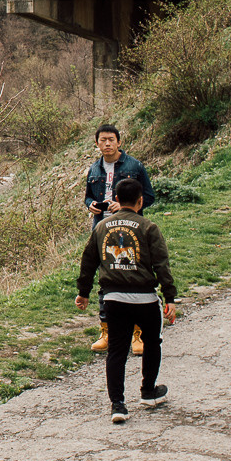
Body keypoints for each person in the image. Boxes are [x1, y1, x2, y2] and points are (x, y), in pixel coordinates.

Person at [77, 176, 178, 423]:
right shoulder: (149, 227)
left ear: (117, 200)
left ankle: (118, 405)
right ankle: (148, 392)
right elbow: (161, 264)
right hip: (145, 299)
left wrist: (83, 291)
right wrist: (170, 296)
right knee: (152, 343)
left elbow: (88, 261)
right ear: (141, 201)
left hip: (113, 299)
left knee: (117, 351)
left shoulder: (101, 227)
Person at [83, 125, 156, 353]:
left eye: (111, 140)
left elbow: (150, 196)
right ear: (96, 144)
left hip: (130, 229)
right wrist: (91, 205)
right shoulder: (94, 169)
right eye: (103, 140)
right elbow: (87, 197)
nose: (107, 144)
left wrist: (124, 206)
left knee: (133, 277)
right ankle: (106, 331)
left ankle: (138, 334)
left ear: (119, 142)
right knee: (106, 278)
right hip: (102, 230)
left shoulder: (134, 166)